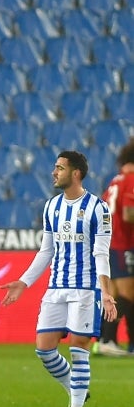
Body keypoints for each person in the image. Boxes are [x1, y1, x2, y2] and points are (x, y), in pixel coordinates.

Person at [0, 150, 117, 407]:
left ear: (75, 173)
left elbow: (101, 254)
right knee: (44, 351)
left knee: (79, 349)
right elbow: (46, 251)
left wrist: (106, 292)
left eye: (60, 168)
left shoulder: (98, 209)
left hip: (85, 290)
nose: (54, 172)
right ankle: (76, 390)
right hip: (56, 288)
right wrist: (24, 282)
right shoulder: (52, 206)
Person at [94, 140, 134, 356]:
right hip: (122, 243)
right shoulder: (131, 179)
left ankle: (104, 339)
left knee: (116, 294)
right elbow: (129, 214)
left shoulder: (115, 181)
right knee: (128, 294)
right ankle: (106, 339)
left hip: (108, 242)